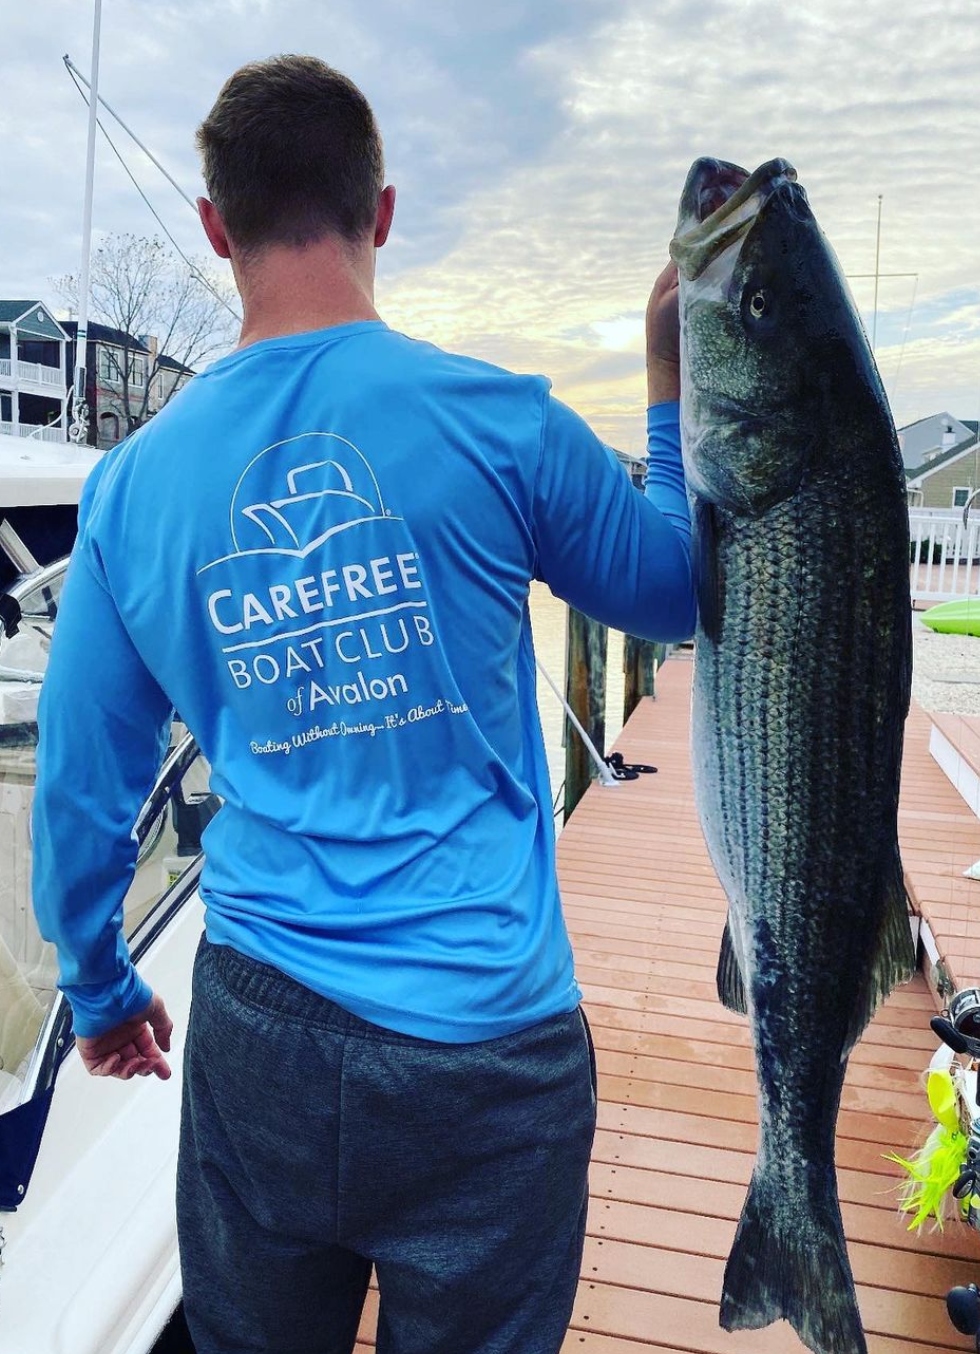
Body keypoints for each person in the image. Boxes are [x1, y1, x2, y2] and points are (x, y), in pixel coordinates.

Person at [32, 54, 695, 1354]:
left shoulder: (133, 486)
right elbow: (674, 588)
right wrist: (668, 383)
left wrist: (99, 983)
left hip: (261, 1029)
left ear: (215, 226)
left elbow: (80, 785)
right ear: (381, 211)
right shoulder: (500, 422)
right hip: (488, 1050)